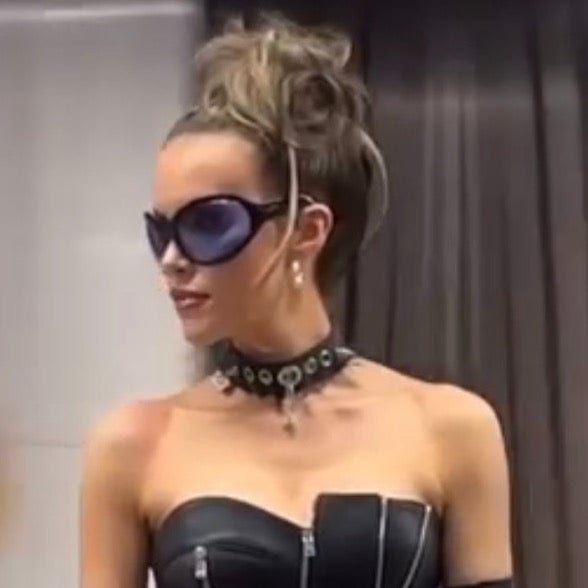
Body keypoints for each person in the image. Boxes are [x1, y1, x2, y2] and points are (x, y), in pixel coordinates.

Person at [81, 15, 513, 588]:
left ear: (307, 230)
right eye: (160, 231)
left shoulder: (451, 427)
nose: (172, 260)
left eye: (208, 224)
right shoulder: (134, 444)